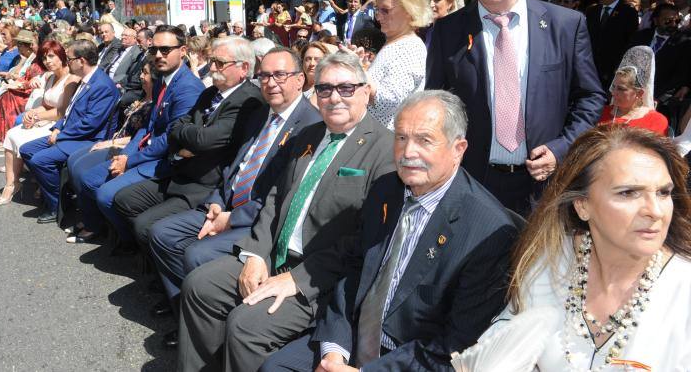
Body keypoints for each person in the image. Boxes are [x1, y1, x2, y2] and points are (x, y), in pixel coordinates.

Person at [265, 90, 518, 371]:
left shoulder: (489, 233)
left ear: (458, 149)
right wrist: (334, 353)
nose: (408, 152)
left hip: (411, 358)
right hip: (350, 338)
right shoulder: (387, 189)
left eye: (424, 140)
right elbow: (354, 272)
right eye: (401, 137)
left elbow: (456, 345)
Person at [176, 50, 396, 372]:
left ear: (365, 91)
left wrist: (296, 279)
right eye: (324, 88)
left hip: (321, 279)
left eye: (346, 88)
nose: (334, 97)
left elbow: (364, 242)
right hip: (274, 257)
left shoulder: (384, 150)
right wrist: (254, 255)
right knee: (199, 286)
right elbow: (276, 199)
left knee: (246, 325)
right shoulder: (308, 136)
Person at [457, 125, 691, 370]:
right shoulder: (550, 261)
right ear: (582, 205)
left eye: (664, 193)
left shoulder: (683, 290)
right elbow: (498, 352)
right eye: (629, 193)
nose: (655, 211)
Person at [426, 0, 606, 216]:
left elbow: (590, 96)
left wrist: (562, 148)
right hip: (472, 181)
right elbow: (435, 102)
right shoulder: (449, 31)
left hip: (544, 184)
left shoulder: (565, 25)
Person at [148, 47, 321, 348]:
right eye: (264, 75)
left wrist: (231, 218)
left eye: (280, 75)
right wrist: (216, 201)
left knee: (197, 255)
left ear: (300, 80)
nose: (271, 83)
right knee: (161, 234)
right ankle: (187, 313)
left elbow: (281, 196)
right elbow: (235, 166)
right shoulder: (259, 115)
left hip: (257, 219)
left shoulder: (310, 126)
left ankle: (206, 332)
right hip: (225, 204)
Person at [111, 36, 265, 250]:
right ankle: (150, 257)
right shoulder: (210, 92)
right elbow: (175, 127)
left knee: (145, 226)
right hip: (180, 169)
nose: (211, 67)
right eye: (212, 61)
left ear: (244, 68)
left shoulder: (249, 100)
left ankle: (162, 272)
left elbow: (204, 141)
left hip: (203, 184)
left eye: (219, 63)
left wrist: (189, 136)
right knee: (124, 199)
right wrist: (186, 143)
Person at [67, 27, 205, 246]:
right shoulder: (162, 80)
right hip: (142, 151)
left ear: (183, 51)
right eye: (155, 49)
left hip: (165, 161)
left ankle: (130, 242)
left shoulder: (188, 88)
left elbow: (170, 137)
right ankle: (108, 229)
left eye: (166, 49)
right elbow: (148, 127)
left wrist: (129, 161)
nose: (159, 55)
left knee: (105, 194)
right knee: (89, 179)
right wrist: (125, 155)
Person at [19, 39, 120, 224]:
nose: (67, 62)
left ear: (81, 61)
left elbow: (90, 123)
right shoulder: (84, 80)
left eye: (70, 58)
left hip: (87, 139)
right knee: (26, 150)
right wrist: (57, 127)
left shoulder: (102, 86)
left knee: (40, 160)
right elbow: (70, 111)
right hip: (71, 133)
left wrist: (61, 134)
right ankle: (56, 195)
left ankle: (57, 204)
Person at [0, 42, 79, 205]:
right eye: (44, 57)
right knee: (12, 133)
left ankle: (40, 181)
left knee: (22, 139)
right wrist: (32, 112)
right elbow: (47, 104)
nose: (47, 61)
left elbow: (62, 112)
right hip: (45, 119)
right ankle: (12, 184)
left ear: (61, 56)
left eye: (51, 56)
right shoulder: (51, 76)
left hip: (59, 124)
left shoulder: (71, 80)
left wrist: (36, 117)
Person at [365, 0, 430, 130]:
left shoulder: (410, 48)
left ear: (409, 10)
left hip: (387, 145)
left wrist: (358, 71)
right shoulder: (396, 42)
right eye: (377, 10)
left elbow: (386, 102)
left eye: (385, 10)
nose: (378, 17)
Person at [599, 46, 669, 136]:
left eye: (621, 89)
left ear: (639, 93)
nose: (613, 92)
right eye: (614, 86)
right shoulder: (601, 112)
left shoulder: (656, 121)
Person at [586, 0, 640, 88]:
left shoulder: (628, 12)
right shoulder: (592, 11)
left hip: (614, 67)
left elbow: (630, 40)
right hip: (592, 66)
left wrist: (622, 66)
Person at [118, 27, 154, 112]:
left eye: (139, 41)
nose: (137, 44)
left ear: (149, 41)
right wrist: (120, 83)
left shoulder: (151, 57)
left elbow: (140, 80)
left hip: (140, 90)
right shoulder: (140, 55)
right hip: (130, 86)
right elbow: (130, 73)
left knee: (119, 100)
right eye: (136, 41)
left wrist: (125, 87)